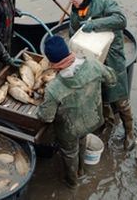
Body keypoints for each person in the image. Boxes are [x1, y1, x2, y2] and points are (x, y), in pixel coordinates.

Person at [37, 35, 117, 189]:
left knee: (69, 153)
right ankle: (81, 170)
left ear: (53, 64)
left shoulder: (53, 89)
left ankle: (72, 182)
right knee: (83, 138)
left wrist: (41, 109)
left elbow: (46, 118)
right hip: (93, 118)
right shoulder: (93, 64)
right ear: (68, 52)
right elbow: (112, 79)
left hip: (69, 131)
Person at [65, 0, 135, 150]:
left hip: (111, 54)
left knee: (120, 98)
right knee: (100, 94)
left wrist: (94, 24)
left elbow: (121, 20)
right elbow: (73, 30)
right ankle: (107, 123)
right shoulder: (76, 8)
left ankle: (129, 133)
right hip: (91, 57)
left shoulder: (103, 2)